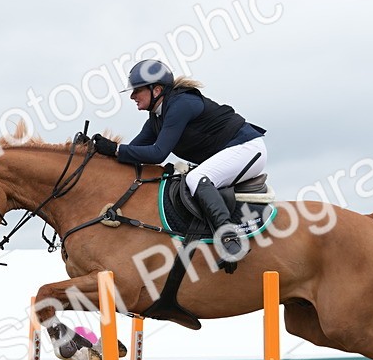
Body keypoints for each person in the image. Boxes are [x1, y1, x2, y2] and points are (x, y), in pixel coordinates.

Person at [90, 59, 267, 271]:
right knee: (190, 179)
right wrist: (96, 154)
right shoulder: (156, 118)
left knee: (194, 178)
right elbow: (132, 151)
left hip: (247, 149)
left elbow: (158, 153)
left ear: (156, 89)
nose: (132, 96)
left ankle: (230, 239)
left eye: (137, 90)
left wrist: (116, 149)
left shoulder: (181, 105)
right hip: (233, 152)